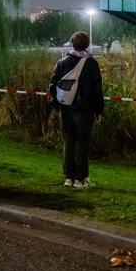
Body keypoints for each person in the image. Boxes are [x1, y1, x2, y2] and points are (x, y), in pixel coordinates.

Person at [49, 31, 102, 189]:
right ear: (87, 44)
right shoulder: (91, 64)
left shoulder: (62, 62)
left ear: (72, 44)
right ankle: (80, 179)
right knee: (82, 143)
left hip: (66, 109)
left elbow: (53, 86)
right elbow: (97, 89)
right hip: (84, 109)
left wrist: (58, 104)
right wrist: (99, 110)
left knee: (68, 141)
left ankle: (68, 178)